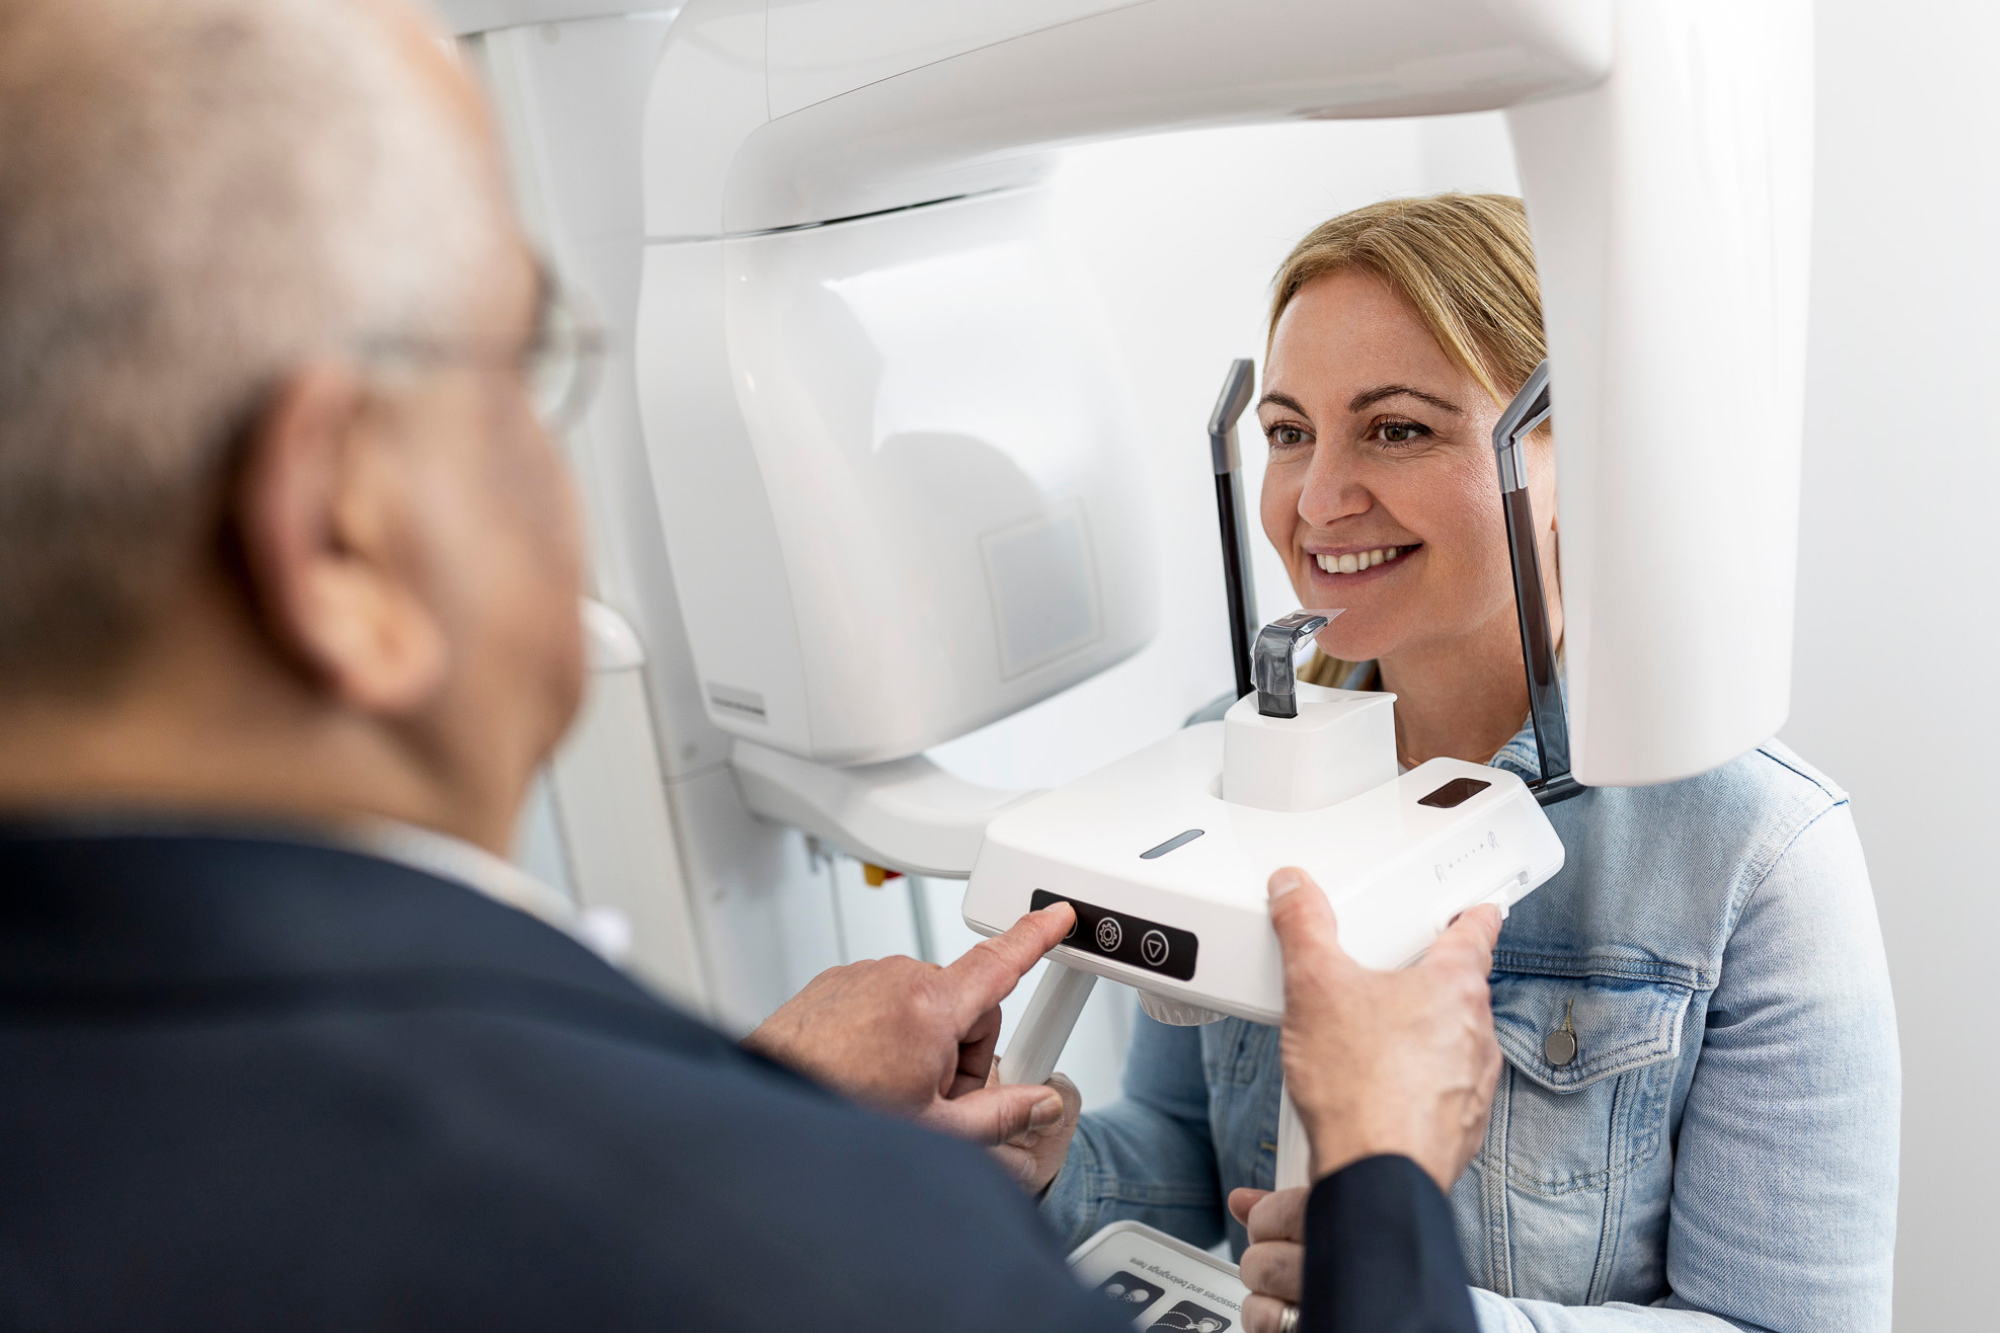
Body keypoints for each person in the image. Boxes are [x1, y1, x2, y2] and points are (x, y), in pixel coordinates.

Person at [0, 2, 1497, 1329]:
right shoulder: (798, 1245)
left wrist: (788, 1126)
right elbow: (1156, 1178)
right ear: (341, 520)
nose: (1316, 498)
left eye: (1403, 426)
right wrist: (1382, 1210)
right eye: (528, 366)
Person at [1034, 195, 1902, 1332]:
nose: (1315, 500)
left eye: (1396, 429)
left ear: (1573, 450)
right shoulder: (1228, 764)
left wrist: (1411, 1305)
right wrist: (1047, 1168)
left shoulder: (1753, 849)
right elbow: (1191, 1159)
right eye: (1289, 431)